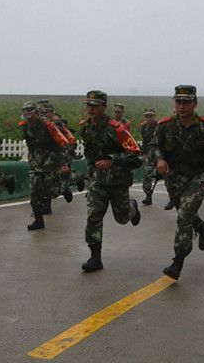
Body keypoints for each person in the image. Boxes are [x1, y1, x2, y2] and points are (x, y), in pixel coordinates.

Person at [151, 85, 204, 280]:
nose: (182, 106)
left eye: (186, 102)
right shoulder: (165, 125)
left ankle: (177, 262)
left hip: (197, 176)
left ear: (195, 103)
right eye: (179, 102)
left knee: (184, 216)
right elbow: (155, 146)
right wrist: (160, 159)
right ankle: (202, 227)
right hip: (173, 178)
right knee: (184, 211)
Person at [80, 91, 142, 272]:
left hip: (118, 181)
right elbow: (89, 153)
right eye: (88, 105)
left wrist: (112, 161)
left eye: (95, 105)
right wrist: (91, 170)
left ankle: (132, 207)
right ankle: (95, 257)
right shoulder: (86, 128)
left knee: (122, 218)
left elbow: (137, 155)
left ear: (104, 107)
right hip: (99, 181)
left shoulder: (117, 129)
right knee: (93, 215)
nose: (91, 108)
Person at [19, 102, 70, 230]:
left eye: (31, 116)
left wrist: (64, 163)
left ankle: (65, 187)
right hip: (36, 163)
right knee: (34, 193)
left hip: (50, 162)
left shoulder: (49, 126)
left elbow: (63, 144)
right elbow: (30, 144)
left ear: (37, 113)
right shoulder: (25, 126)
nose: (29, 119)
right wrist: (31, 158)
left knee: (51, 192)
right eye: (26, 117)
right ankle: (38, 221)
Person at [140, 108, 159, 205]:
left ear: (154, 116)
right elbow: (144, 142)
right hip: (149, 154)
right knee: (147, 174)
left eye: (151, 116)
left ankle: (173, 196)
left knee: (168, 175)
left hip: (159, 153)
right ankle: (148, 195)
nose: (149, 118)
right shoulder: (143, 127)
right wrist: (144, 153)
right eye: (147, 116)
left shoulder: (159, 126)